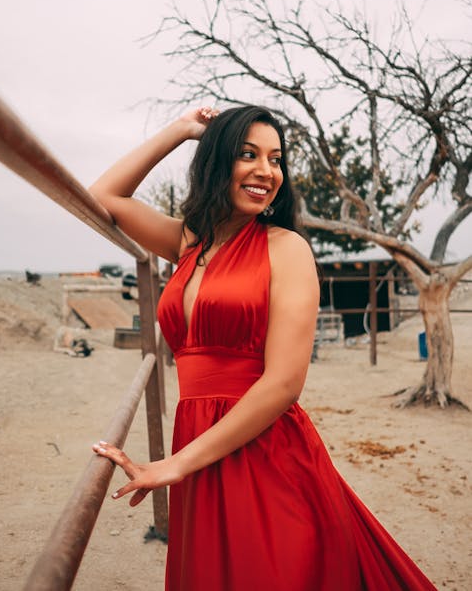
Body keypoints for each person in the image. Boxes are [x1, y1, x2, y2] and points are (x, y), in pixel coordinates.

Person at [90, 105, 438, 591]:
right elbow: (104, 194)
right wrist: (182, 130)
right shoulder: (188, 242)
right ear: (216, 162)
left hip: (265, 451)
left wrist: (175, 464)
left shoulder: (286, 248)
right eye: (247, 154)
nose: (266, 171)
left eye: (276, 159)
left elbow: (283, 385)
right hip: (198, 447)